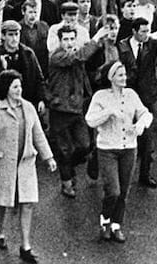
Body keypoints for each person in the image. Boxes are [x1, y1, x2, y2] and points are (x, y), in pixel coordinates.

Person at [0, 70, 58, 263]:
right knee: (2, 201)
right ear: (5, 89)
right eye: (15, 86)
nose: (19, 90)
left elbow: (38, 134)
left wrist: (49, 157)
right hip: (4, 163)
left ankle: (25, 246)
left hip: (26, 163)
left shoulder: (28, 107)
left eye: (20, 86)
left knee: (28, 202)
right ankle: (0, 231)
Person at [85, 62, 152, 243]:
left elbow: (146, 114)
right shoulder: (100, 96)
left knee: (124, 190)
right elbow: (90, 120)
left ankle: (116, 224)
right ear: (111, 78)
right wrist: (108, 112)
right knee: (113, 190)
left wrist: (140, 125)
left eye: (125, 74)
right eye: (120, 75)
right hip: (107, 149)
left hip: (129, 148)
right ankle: (105, 219)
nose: (124, 78)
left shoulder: (131, 94)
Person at [47, 25, 107, 198]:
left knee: (84, 145)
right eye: (65, 39)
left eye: (72, 39)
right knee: (64, 149)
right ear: (59, 41)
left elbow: (87, 65)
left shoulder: (76, 54)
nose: (69, 43)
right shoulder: (57, 56)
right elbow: (78, 57)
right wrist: (96, 38)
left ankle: (68, 167)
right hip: (60, 110)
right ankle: (66, 183)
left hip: (77, 109)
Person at [118, 17, 157, 187]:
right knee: (121, 137)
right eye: (142, 31)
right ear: (134, 31)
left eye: (147, 31)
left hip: (146, 98)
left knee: (148, 140)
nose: (146, 34)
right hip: (126, 97)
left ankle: (145, 174)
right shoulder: (122, 46)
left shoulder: (151, 44)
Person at [0, 20, 46, 116]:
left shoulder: (28, 54)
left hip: (24, 105)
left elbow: (39, 78)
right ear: (3, 36)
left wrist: (41, 99)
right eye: (10, 35)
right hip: (0, 108)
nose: (14, 39)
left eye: (16, 34)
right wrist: (1, 69)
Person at [18, 1, 51, 75]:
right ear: (23, 12)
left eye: (35, 12)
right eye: (30, 12)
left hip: (43, 66)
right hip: (26, 66)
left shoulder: (44, 26)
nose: (33, 15)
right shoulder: (18, 28)